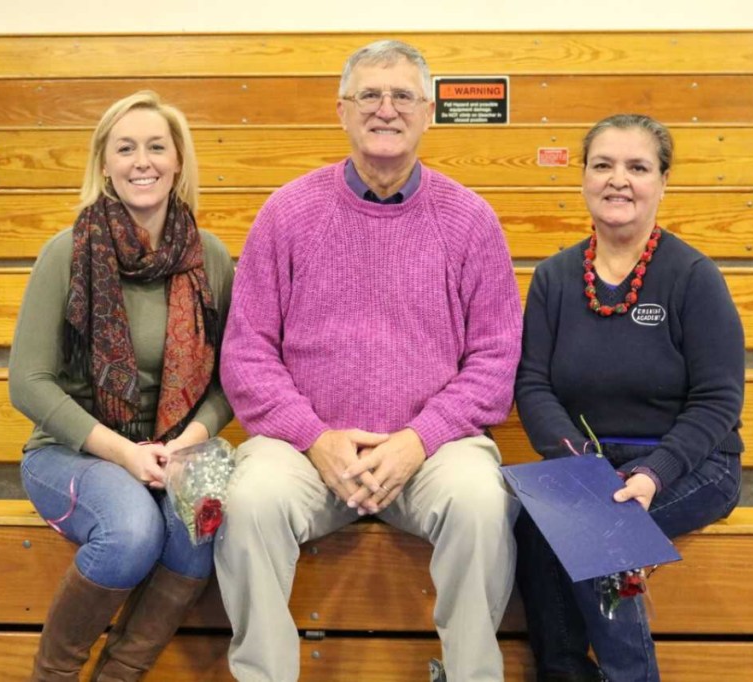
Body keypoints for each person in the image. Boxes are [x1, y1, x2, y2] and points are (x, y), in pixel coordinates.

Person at [216, 39, 523, 681]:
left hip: (432, 453)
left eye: (403, 95)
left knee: (481, 503)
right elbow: (247, 355)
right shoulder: (287, 213)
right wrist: (315, 439)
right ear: (343, 111)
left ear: (429, 112)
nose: (386, 109)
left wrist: (418, 440)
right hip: (305, 451)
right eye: (370, 96)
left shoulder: (470, 220)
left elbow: (494, 363)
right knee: (249, 500)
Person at [8, 90, 235, 681]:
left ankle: (120, 675)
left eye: (157, 147)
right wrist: (124, 453)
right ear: (104, 164)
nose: (143, 161)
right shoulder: (68, 252)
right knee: (133, 530)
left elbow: (235, 378)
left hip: (175, 446)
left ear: (178, 160)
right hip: (73, 452)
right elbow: (27, 383)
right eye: (126, 148)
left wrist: (192, 439)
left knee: (203, 527)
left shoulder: (209, 258)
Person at [513, 114, 745, 681]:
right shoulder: (554, 278)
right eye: (603, 165)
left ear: (662, 182)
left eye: (637, 167)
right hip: (587, 462)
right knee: (528, 523)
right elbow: (532, 384)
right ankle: (565, 673)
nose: (619, 180)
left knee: (605, 528)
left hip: (691, 465)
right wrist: (579, 464)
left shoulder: (694, 277)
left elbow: (718, 400)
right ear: (584, 178)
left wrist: (652, 474)